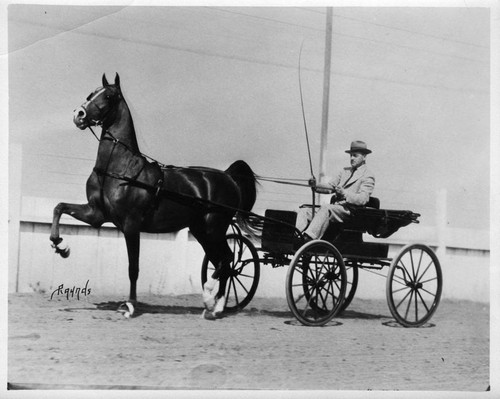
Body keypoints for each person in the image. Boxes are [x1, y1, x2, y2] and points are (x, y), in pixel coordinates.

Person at [296, 140, 375, 240]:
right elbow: (330, 187)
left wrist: (345, 194)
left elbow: (363, 199)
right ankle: (295, 235)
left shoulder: (368, 176)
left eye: (355, 155)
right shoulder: (344, 171)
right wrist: (315, 185)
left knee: (326, 208)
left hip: (350, 212)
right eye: (350, 155)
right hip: (336, 209)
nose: (351, 158)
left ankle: (308, 238)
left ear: (364, 156)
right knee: (305, 211)